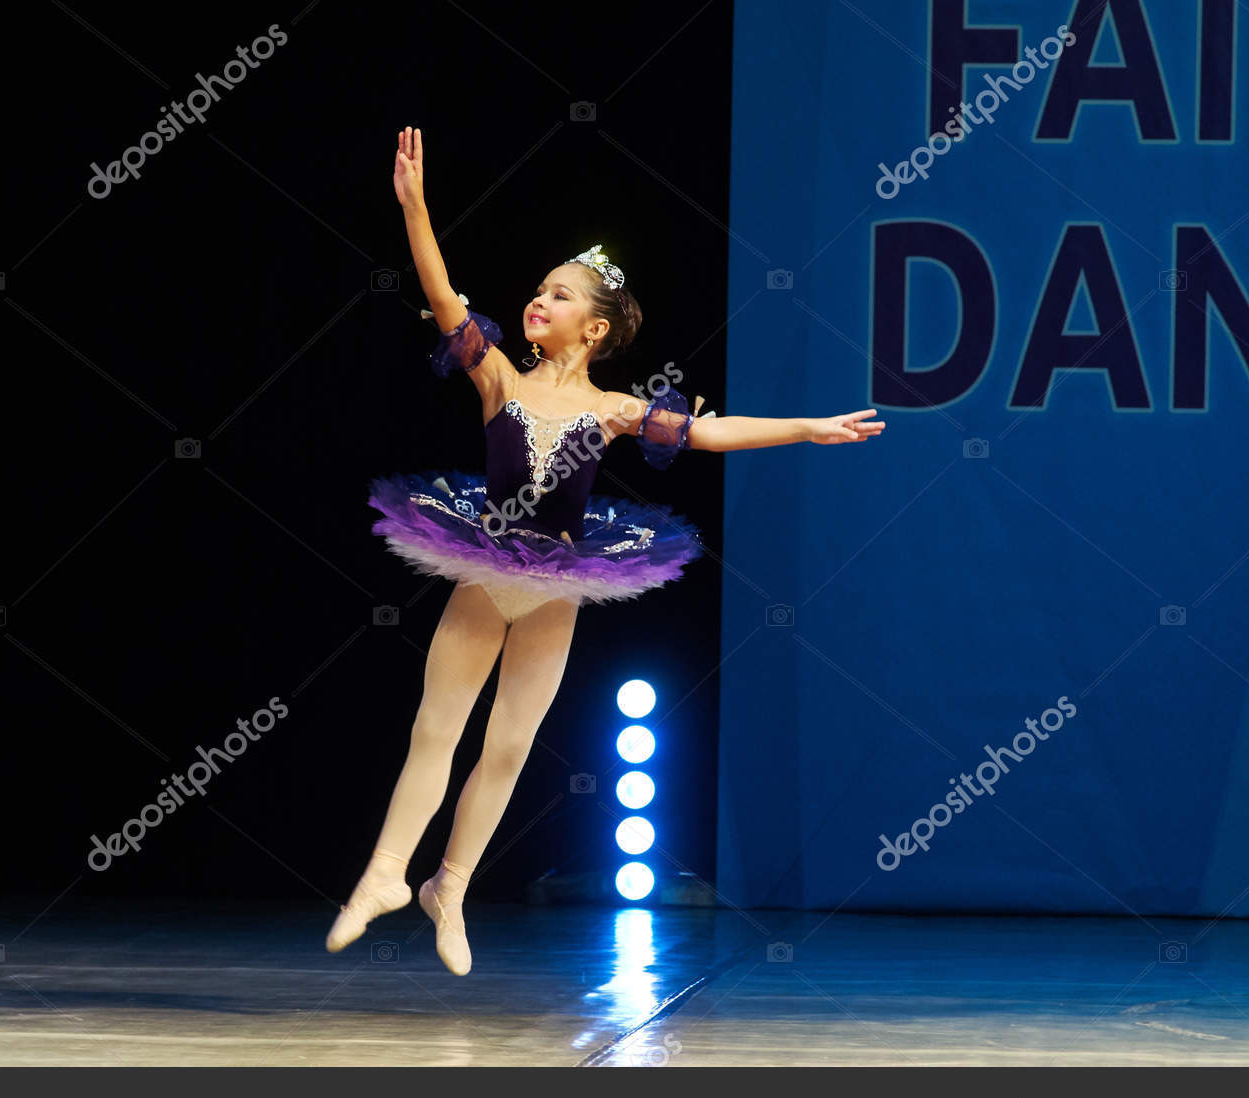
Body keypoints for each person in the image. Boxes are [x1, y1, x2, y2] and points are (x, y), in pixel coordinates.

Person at [325, 125, 885, 975]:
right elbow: (441, 294)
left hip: (556, 584)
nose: (537, 302)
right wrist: (415, 208)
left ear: (591, 330)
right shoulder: (498, 378)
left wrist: (806, 427)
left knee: (509, 745)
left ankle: (452, 884)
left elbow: (710, 431)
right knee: (436, 727)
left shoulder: (616, 409)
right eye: (538, 290)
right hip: (485, 565)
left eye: (558, 296)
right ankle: (382, 875)